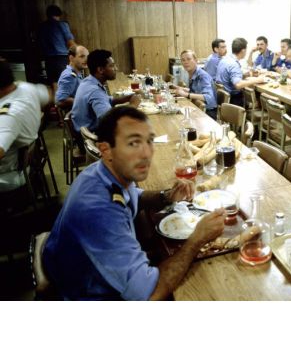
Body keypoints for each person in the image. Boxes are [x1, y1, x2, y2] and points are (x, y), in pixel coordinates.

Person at [43, 106, 225, 300]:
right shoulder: (98, 211)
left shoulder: (103, 171)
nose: (147, 153)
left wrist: (166, 196)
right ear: (106, 149)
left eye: (149, 141)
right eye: (133, 143)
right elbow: (149, 294)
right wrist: (197, 239)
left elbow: (134, 195)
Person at [0, 58, 52, 194]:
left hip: (8, 175)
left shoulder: (7, 116)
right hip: (30, 161)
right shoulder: (25, 87)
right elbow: (49, 95)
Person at [71, 49, 141, 133]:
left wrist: (126, 98)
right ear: (100, 70)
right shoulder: (94, 91)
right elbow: (109, 121)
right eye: (112, 66)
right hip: (93, 137)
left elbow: (106, 100)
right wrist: (133, 105)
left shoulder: (89, 81)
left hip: (86, 131)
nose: (116, 68)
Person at [216, 37, 266, 107]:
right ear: (243, 50)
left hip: (222, 98)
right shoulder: (233, 64)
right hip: (233, 100)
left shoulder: (224, 59)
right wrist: (257, 80)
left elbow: (229, 76)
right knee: (259, 100)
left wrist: (242, 75)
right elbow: (238, 85)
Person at [37, 5, 77, 89]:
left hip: (48, 60)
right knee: (66, 86)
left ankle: (57, 102)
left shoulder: (41, 27)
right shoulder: (62, 25)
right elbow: (71, 44)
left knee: (54, 85)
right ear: (59, 14)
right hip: (61, 59)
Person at [172, 50, 218, 120]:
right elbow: (198, 90)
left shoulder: (202, 76)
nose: (186, 62)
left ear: (196, 60)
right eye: (183, 60)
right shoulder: (192, 73)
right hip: (197, 108)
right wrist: (185, 90)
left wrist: (186, 94)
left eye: (189, 59)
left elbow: (208, 97)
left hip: (207, 113)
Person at [55, 45, 89, 111]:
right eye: (82, 56)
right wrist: (84, 102)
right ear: (71, 58)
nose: (86, 60)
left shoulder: (76, 72)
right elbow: (60, 100)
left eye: (87, 56)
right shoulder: (69, 75)